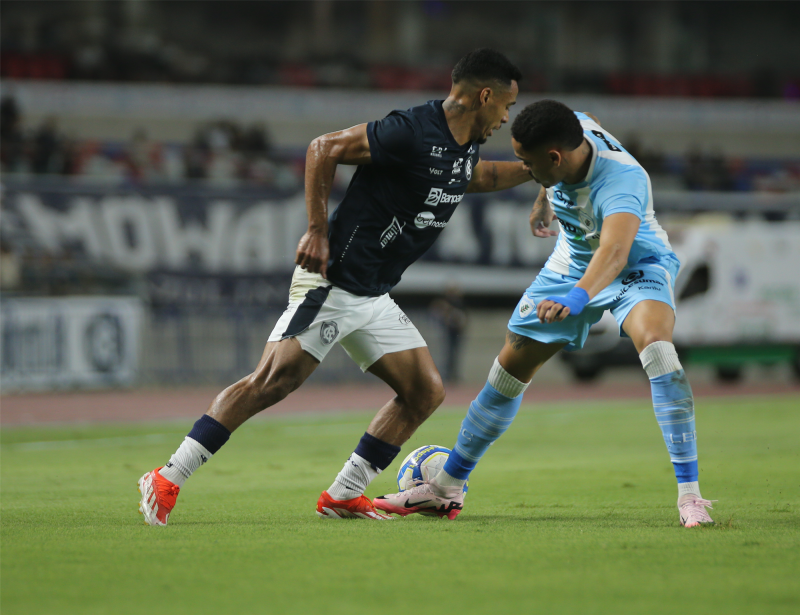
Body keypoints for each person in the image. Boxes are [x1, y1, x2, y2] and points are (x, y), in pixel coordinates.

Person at [137, 49, 534, 525]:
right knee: (272, 381)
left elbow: (482, 175)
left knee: (424, 391)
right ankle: (166, 476)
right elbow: (323, 148)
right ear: (484, 95)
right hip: (334, 283)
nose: (507, 118)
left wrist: (540, 169)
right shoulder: (410, 130)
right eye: (506, 106)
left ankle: (345, 493)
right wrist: (317, 229)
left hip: (373, 293)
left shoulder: (465, 144)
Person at [375, 100, 716, 528]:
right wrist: (545, 198)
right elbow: (557, 158)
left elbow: (613, 253)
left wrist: (576, 299)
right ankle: (446, 487)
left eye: (527, 162)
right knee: (507, 371)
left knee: (659, 351)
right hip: (572, 259)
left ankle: (691, 497)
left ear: (554, 157)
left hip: (634, 263)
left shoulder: (624, 182)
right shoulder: (573, 127)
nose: (523, 167)